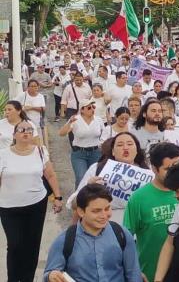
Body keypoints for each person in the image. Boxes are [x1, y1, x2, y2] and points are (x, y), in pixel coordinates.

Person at [0, 120, 64, 282]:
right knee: (14, 244)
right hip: (8, 206)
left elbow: (50, 175)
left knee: (32, 245)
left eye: (29, 129)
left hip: (36, 204)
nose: (26, 132)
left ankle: (27, 278)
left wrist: (57, 197)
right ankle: (13, 278)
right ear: (14, 134)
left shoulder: (40, 151)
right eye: (21, 129)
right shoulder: (3, 154)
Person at [43, 184, 143, 282]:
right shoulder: (64, 240)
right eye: (96, 211)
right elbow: (49, 274)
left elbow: (133, 273)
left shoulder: (122, 234)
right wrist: (51, 276)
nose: (104, 215)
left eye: (107, 209)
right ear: (81, 212)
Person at [123, 142, 179, 282]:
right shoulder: (138, 198)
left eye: (178, 166)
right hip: (149, 274)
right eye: (168, 169)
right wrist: (132, 271)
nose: (175, 172)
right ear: (155, 169)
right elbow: (126, 239)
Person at [66, 132, 148, 223]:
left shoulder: (149, 174)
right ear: (113, 151)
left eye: (130, 144)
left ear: (137, 149)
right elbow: (74, 204)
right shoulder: (97, 169)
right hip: (102, 227)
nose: (125, 148)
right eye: (120, 145)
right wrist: (88, 189)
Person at [58, 99, 104, 186]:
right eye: (89, 108)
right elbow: (61, 133)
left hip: (95, 153)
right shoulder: (75, 119)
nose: (92, 109)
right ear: (82, 110)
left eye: (93, 107)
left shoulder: (98, 120)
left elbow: (104, 134)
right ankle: (78, 198)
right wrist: (69, 123)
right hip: (79, 153)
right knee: (81, 178)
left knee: (95, 178)